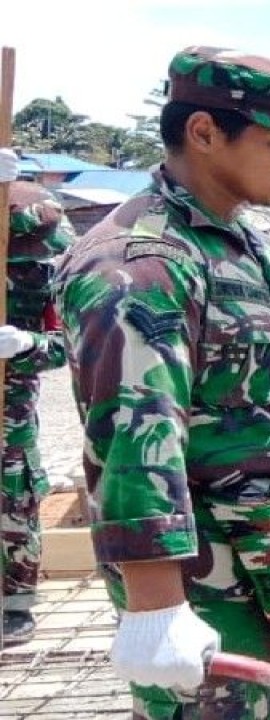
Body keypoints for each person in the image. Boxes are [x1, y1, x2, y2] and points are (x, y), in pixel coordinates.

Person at [54, 47, 270, 719]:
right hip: (201, 579)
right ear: (204, 133)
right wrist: (156, 608)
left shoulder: (262, 251)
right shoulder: (141, 263)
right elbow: (134, 438)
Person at [0, 167, 76, 644]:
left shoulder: (49, 273)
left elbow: (69, 343)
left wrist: (28, 343)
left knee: (14, 494)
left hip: (10, 406)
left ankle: (14, 603)